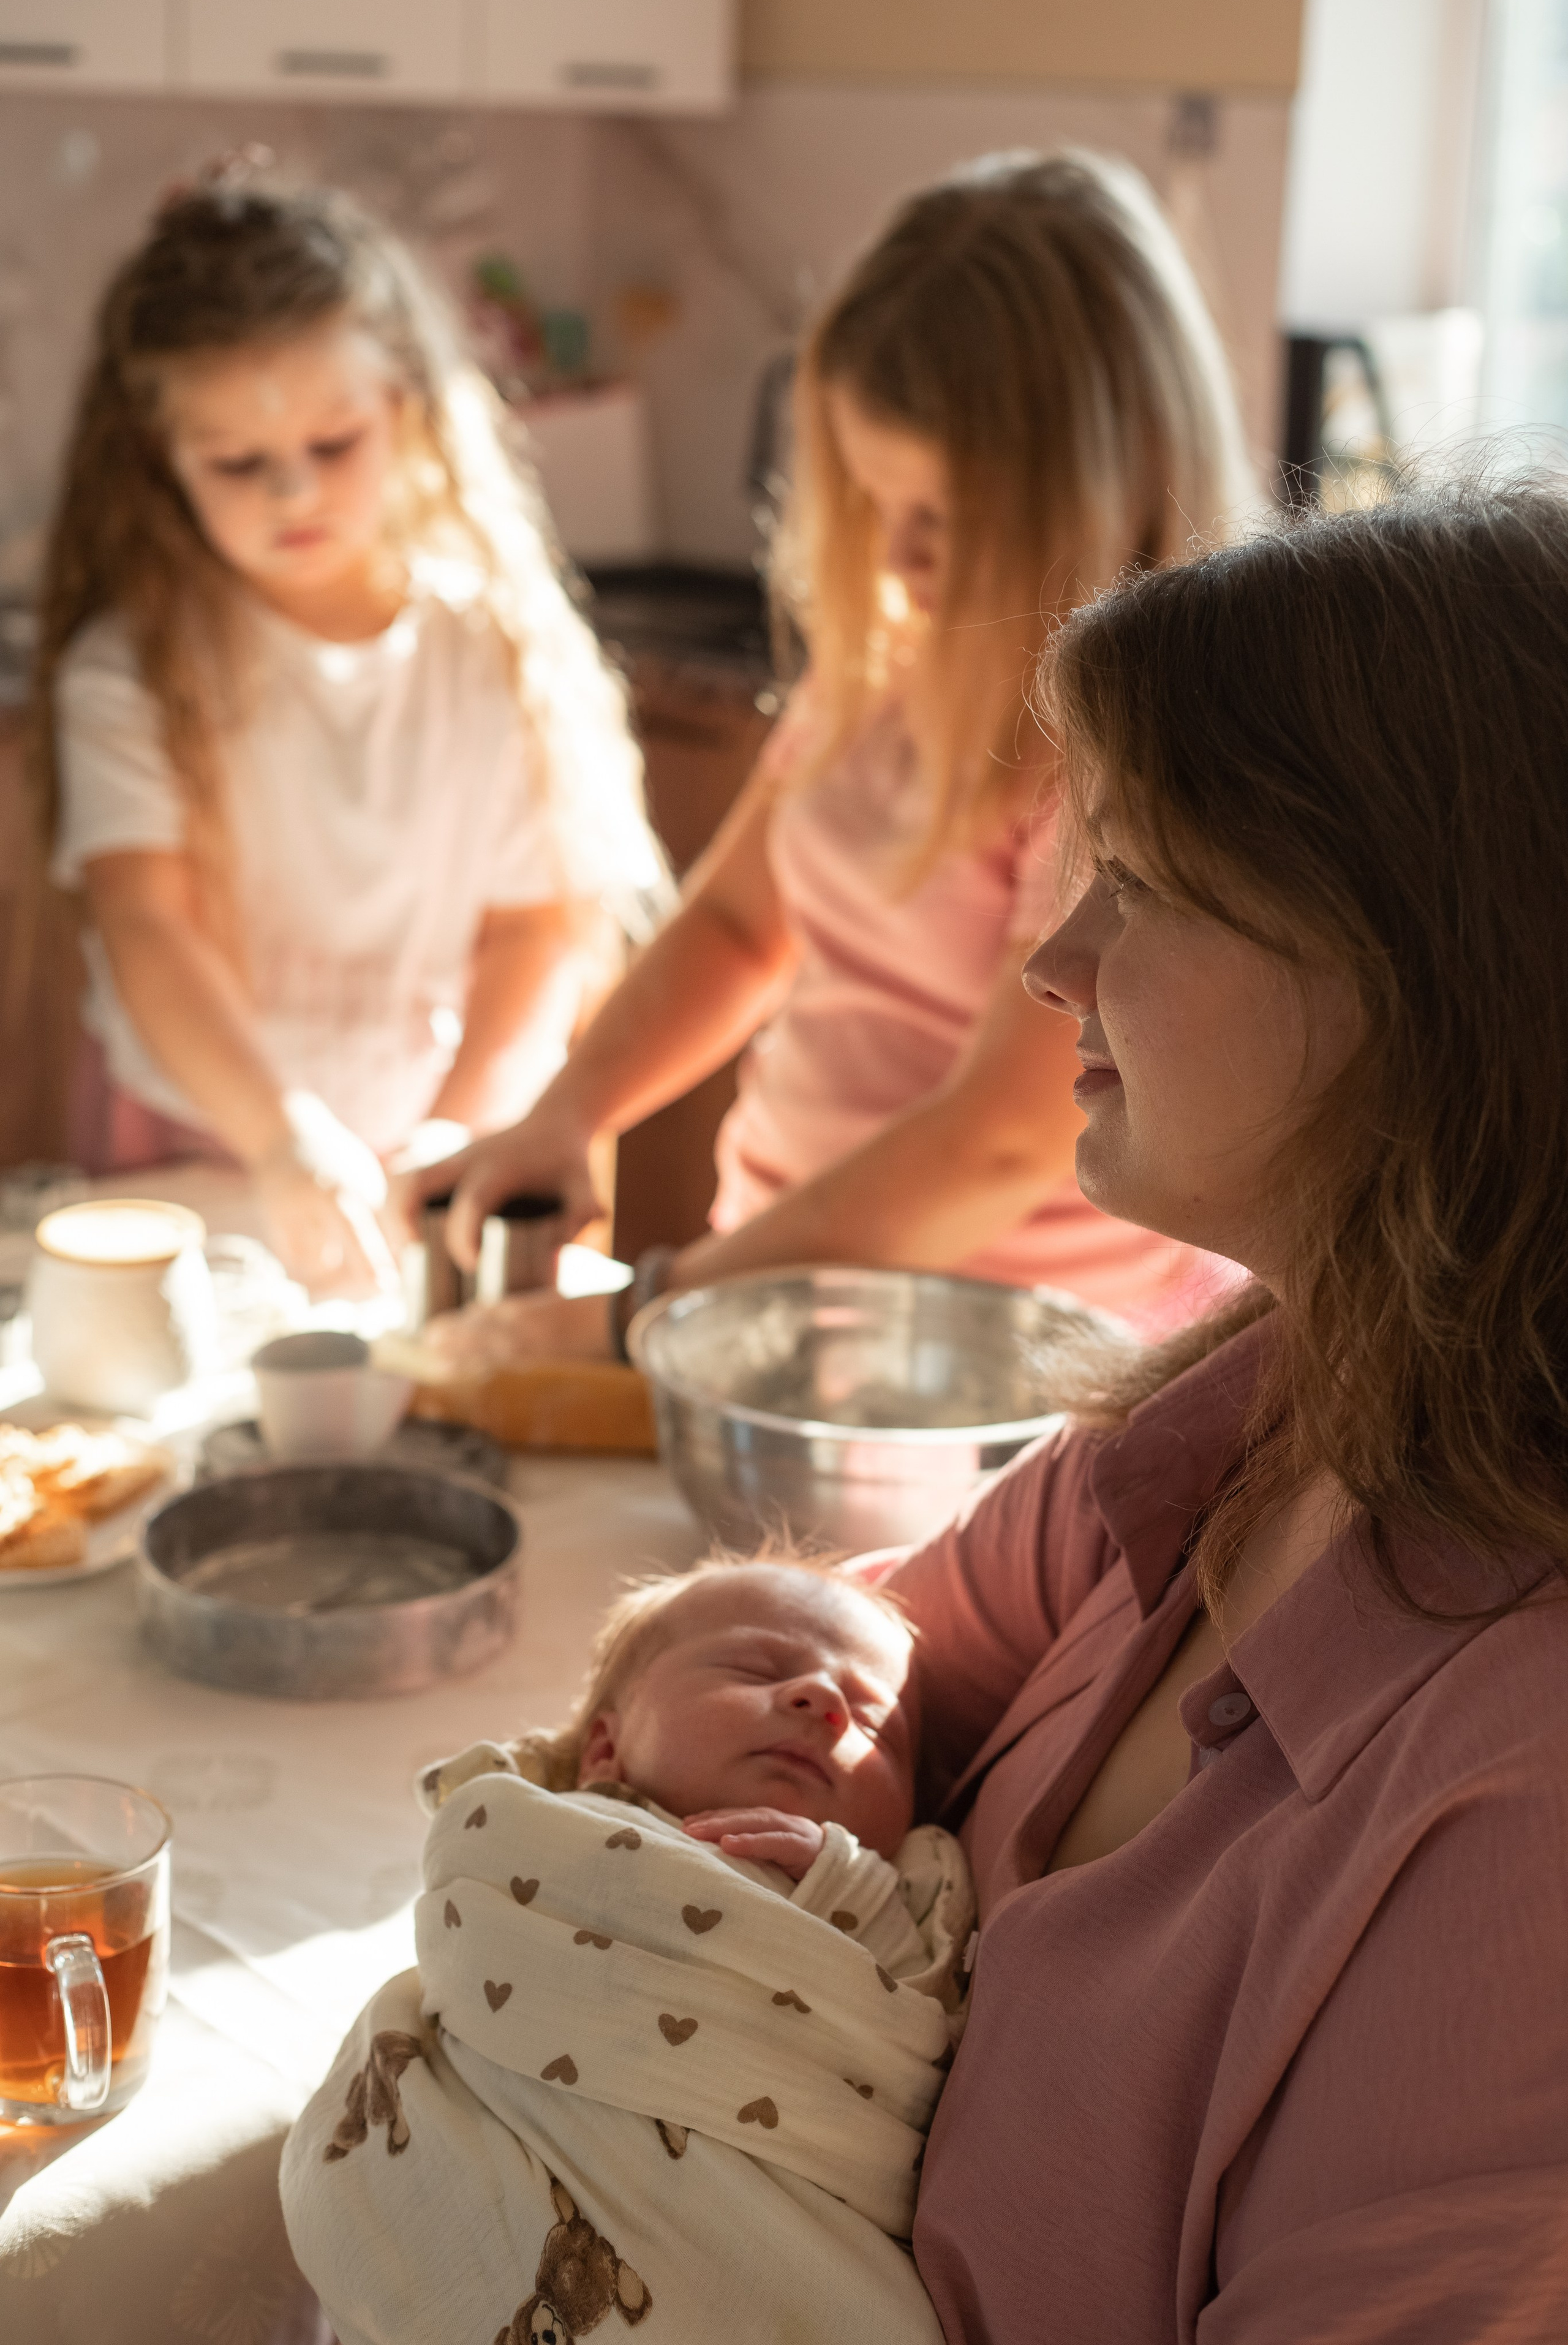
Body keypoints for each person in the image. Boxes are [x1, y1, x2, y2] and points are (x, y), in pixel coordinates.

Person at [869, 483, 1568, 2339]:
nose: (1054, 961)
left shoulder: (1524, 1825)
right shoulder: (1255, 1408)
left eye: (1149, 884)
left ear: (1437, 977)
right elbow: (870, 1643)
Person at [407, 150, 1254, 1353]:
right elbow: (738, 927)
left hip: (1005, 1364)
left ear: (1096, 491)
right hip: (784, 1285)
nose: (898, 564)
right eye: (873, 505)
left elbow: (998, 1141)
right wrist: (567, 1114)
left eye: (941, 523)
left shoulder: (1131, 759)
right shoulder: (891, 673)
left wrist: (655, 1312)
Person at [34, 170, 663, 1293]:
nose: (293, 494)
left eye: (334, 444)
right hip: (194, 1130)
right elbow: (148, 927)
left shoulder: (494, 654)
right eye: (237, 464)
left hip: (430, 1129)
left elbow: (538, 933)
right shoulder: (131, 669)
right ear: (156, 457)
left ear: (406, 414)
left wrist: (459, 1128)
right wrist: (281, 1136)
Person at [280, 1556, 974, 2345]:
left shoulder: (905, 1893)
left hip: (762, 2236)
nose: (823, 1705)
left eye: (877, 1724)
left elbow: (922, 2029)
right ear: (605, 1747)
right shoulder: (538, 1829)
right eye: (757, 1667)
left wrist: (854, 1886)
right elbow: (468, 1944)